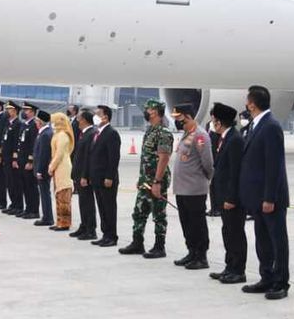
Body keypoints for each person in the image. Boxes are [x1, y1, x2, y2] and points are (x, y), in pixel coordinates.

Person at [240, 85, 291, 300]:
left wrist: (269, 197)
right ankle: (266, 277)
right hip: (258, 198)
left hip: (271, 198)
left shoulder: (270, 126)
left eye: (247, 100)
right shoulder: (255, 125)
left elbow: (274, 166)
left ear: (252, 103)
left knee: (277, 241)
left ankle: (281, 282)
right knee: (262, 240)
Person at [119, 99, 173, 258]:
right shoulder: (150, 130)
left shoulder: (164, 132)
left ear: (155, 111)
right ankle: (137, 243)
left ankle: (159, 246)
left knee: (159, 214)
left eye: (148, 109)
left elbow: (163, 159)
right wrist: (142, 178)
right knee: (139, 212)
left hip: (157, 181)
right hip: (146, 179)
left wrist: (157, 182)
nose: (145, 112)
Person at [170, 103, 215, 270]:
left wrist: (205, 179)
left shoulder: (200, 135)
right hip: (182, 189)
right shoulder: (186, 134)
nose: (176, 121)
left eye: (178, 118)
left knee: (197, 223)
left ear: (187, 116)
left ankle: (201, 256)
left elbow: (208, 163)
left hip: (194, 189)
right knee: (186, 222)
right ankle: (191, 251)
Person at [208, 102, 247, 284]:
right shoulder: (224, 138)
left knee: (235, 233)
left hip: (232, 199)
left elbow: (236, 172)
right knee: (228, 232)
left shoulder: (235, 140)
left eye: (214, 119)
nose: (212, 123)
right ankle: (229, 266)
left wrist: (231, 198)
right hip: (223, 196)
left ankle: (238, 270)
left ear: (219, 121)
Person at [88, 105, 121, 247]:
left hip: (106, 178)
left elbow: (113, 158)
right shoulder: (98, 132)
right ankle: (105, 234)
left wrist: (109, 177)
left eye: (97, 113)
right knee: (101, 207)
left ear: (105, 117)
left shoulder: (111, 133)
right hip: (97, 177)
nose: (95, 115)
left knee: (109, 208)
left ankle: (112, 236)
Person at [70, 110, 98, 240]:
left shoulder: (91, 134)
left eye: (79, 119)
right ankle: (84, 225)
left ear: (85, 120)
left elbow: (88, 157)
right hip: (79, 174)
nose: (77, 121)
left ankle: (90, 229)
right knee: (82, 202)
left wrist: (84, 176)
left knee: (88, 203)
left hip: (84, 175)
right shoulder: (84, 133)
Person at [48, 112, 75, 231]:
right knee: (58, 196)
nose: (52, 124)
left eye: (54, 121)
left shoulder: (63, 135)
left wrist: (51, 166)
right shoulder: (57, 134)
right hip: (58, 167)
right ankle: (59, 221)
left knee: (63, 195)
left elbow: (59, 154)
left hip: (62, 167)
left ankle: (65, 223)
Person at [17, 102, 40, 219]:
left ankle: (34, 210)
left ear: (32, 112)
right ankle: (28, 208)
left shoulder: (34, 125)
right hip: (21, 160)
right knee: (24, 186)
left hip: (28, 161)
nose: (24, 112)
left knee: (31, 186)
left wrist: (31, 161)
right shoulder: (25, 125)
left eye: (26, 110)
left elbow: (34, 145)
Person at [1, 101, 24, 215]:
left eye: (9, 109)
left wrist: (15, 158)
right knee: (9, 182)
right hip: (6, 157)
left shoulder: (18, 124)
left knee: (15, 183)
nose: (7, 111)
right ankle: (13, 204)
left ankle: (18, 205)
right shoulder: (8, 123)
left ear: (15, 111)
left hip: (12, 158)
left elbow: (16, 143)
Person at [32, 110, 55, 226]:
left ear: (40, 121)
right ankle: (46, 216)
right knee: (44, 193)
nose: (35, 122)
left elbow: (44, 155)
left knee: (45, 193)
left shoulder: (46, 134)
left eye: (36, 120)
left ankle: (48, 218)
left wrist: (40, 170)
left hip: (43, 170)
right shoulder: (44, 132)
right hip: (42, 168)